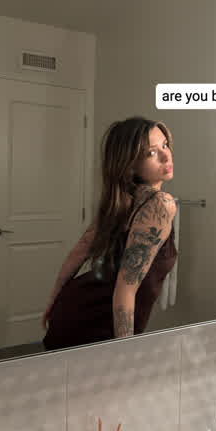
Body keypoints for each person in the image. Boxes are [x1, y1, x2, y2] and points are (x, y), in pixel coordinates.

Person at [42, 116, 177, 350]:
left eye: (165, 145)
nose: (166, 156)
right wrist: (123, 352)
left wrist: (53, 302)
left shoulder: (121, 202)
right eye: (152, 153)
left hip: (74, 312)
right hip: (96, 324)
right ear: (130, 165)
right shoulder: (160, 204)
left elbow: (77, 253)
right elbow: (125, 289)